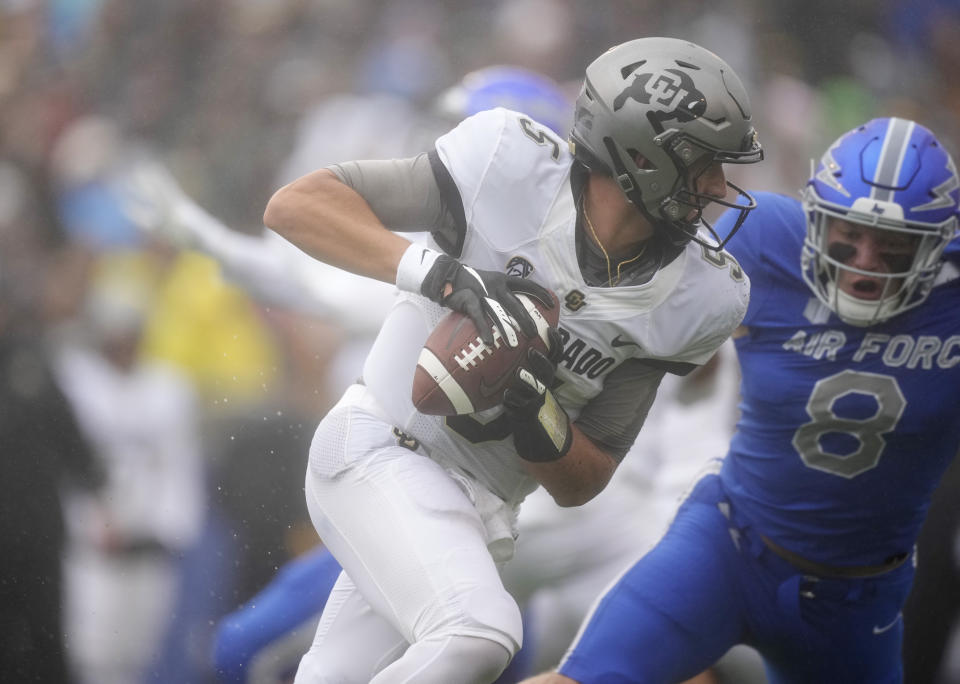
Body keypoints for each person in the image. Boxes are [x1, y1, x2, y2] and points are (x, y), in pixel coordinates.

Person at [262, 36, 762, 683]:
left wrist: (539, 414)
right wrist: (436, 271)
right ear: (642, 154)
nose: (720, 186)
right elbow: (296, 207)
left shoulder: (699, 294)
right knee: (480, 632)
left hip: (480, 511)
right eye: (704, 163)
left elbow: (584, 479)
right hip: (379, 448)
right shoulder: (508, 161)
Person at [520, 115, 960, 684]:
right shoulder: (768, 236)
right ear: (816, 215)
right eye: (849, 233)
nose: (864, 260)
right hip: (727, 546)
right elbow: (640, 307)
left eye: (894, 245)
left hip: (857, 597)